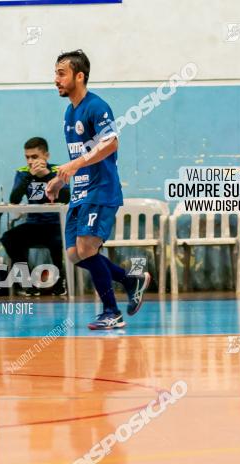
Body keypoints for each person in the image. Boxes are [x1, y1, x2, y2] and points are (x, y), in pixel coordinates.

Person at [47, 50, 150, 330]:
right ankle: (131, 280)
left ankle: (111, 312)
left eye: (61, 73)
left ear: (79, 76)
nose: (55, 79)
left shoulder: (97, 106)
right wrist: (60, 179)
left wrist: (77, 163)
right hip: (80, 191)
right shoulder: (70, 111)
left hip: (100, 189)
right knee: (73, 253)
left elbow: (111, 143)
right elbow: (78, 154)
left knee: (86, 247)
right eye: (55, 73)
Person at [0, 137, 70, 296]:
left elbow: (66, 198)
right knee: (8, 238)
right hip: (34, 225)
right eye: (27, 157)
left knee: (57, 241)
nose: (30, 161)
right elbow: (14, 199)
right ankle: (27, 281)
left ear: (46, 156)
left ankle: (60, 282)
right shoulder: (23, 173)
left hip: (56, 225)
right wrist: (30, 176)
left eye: (35, 157)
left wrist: (46, 175)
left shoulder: (58, 171)